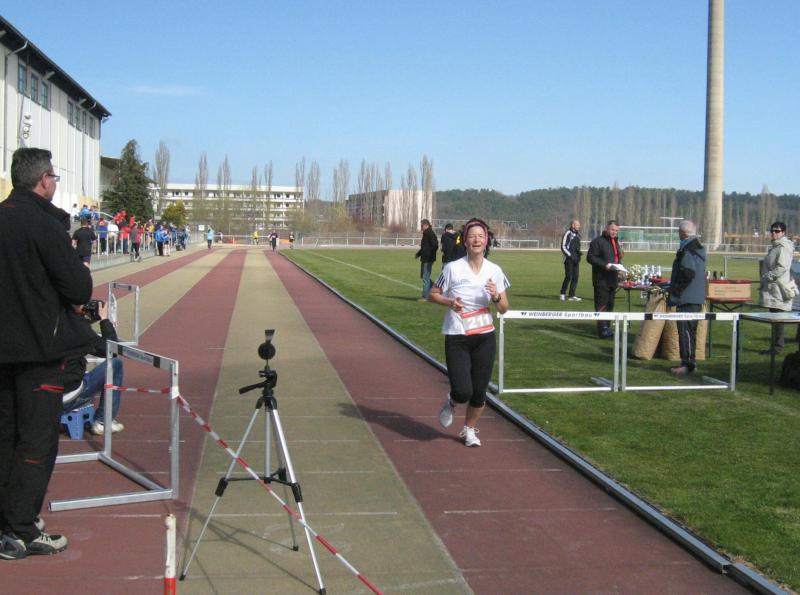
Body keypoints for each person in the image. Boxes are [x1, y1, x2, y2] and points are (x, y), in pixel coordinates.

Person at [0, 148, 93, 559]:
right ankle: (20, 529)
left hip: (6, 350)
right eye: (54, 177)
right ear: (42, 180)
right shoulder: (44, 224)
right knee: (36, 442)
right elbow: (78, 288)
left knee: (6, 436)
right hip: (39, 350)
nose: (55, 182)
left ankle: (10, 519)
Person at [429, 218, 510, 447]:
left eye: (480, 237)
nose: (476, 240)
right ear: (465, 241)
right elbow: (432, 294)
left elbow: (504, 308)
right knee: (463, 390)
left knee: (479, 391)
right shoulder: (452, 268)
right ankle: (452, 401)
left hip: (484, 336)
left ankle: (469, 429)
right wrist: (449, 302)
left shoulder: (495, 271)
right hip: (458, 335)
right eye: (472, 236)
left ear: (486, 241)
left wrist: (496, 296)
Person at [61, 302, 125, 435]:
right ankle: (103, 421)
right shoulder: (80, 328)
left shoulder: (50, 321)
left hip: (44, 394)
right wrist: (104, 320)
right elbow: (111, 350)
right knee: (116, 364)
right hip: (68, 396)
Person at [667, 220, 707, 375]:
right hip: (695, 297)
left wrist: (676, 291)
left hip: (687, 298)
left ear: (683, 233)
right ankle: (690, 363)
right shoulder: (697, 248)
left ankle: (687, 365)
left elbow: (688, 273)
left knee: (685, 332)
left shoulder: (687, 250)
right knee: (690, 332)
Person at [759, 221, 797, 355]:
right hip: (773, 289)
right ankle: (774, 347)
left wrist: (767, 277)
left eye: (777, 231)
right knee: (774, 319)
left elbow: (782, 268)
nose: (774, 233)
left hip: (779, 289)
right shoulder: (775, 247)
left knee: (778, 319)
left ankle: (777, 347)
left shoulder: (783, 247)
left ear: (783, 232)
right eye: (772, 230)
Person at [587, 220, 624, 338]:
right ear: (607, 229)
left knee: (610, 305)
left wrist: (620, 269)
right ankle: (602, 329)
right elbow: (590, 257)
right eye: (612, 230)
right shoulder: (597, 242)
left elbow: (617, 258)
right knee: (601, 305)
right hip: (601, 279)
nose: (614, 232)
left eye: (616, 230)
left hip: (613, 279)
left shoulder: (616, 242)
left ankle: (607, 327)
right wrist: (604, 265)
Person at [415, 219, 438, 302]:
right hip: (424, 258)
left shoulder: (430, 233)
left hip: (428, 259)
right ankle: (436, 288)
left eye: (421, 225)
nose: (421, 227)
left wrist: (430, 256)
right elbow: (425, 247)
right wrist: (418, 254)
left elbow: (435, 245)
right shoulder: (426, 233)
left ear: (426, 225)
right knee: (423, 276)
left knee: (425, 278)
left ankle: (425, 297)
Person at [559, 219, 582, 301]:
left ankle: (572, 295)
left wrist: (578, 254)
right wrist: (570, 255)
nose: (579, 226)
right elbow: (563, 246)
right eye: (577, 225)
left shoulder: (578, 235)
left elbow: (577, 247)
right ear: (573, 225)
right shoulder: (567, 233)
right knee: (569, 276)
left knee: (576, 277)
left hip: (576, 260)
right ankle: (562, 293)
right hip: (568, 260)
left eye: (579, 225)